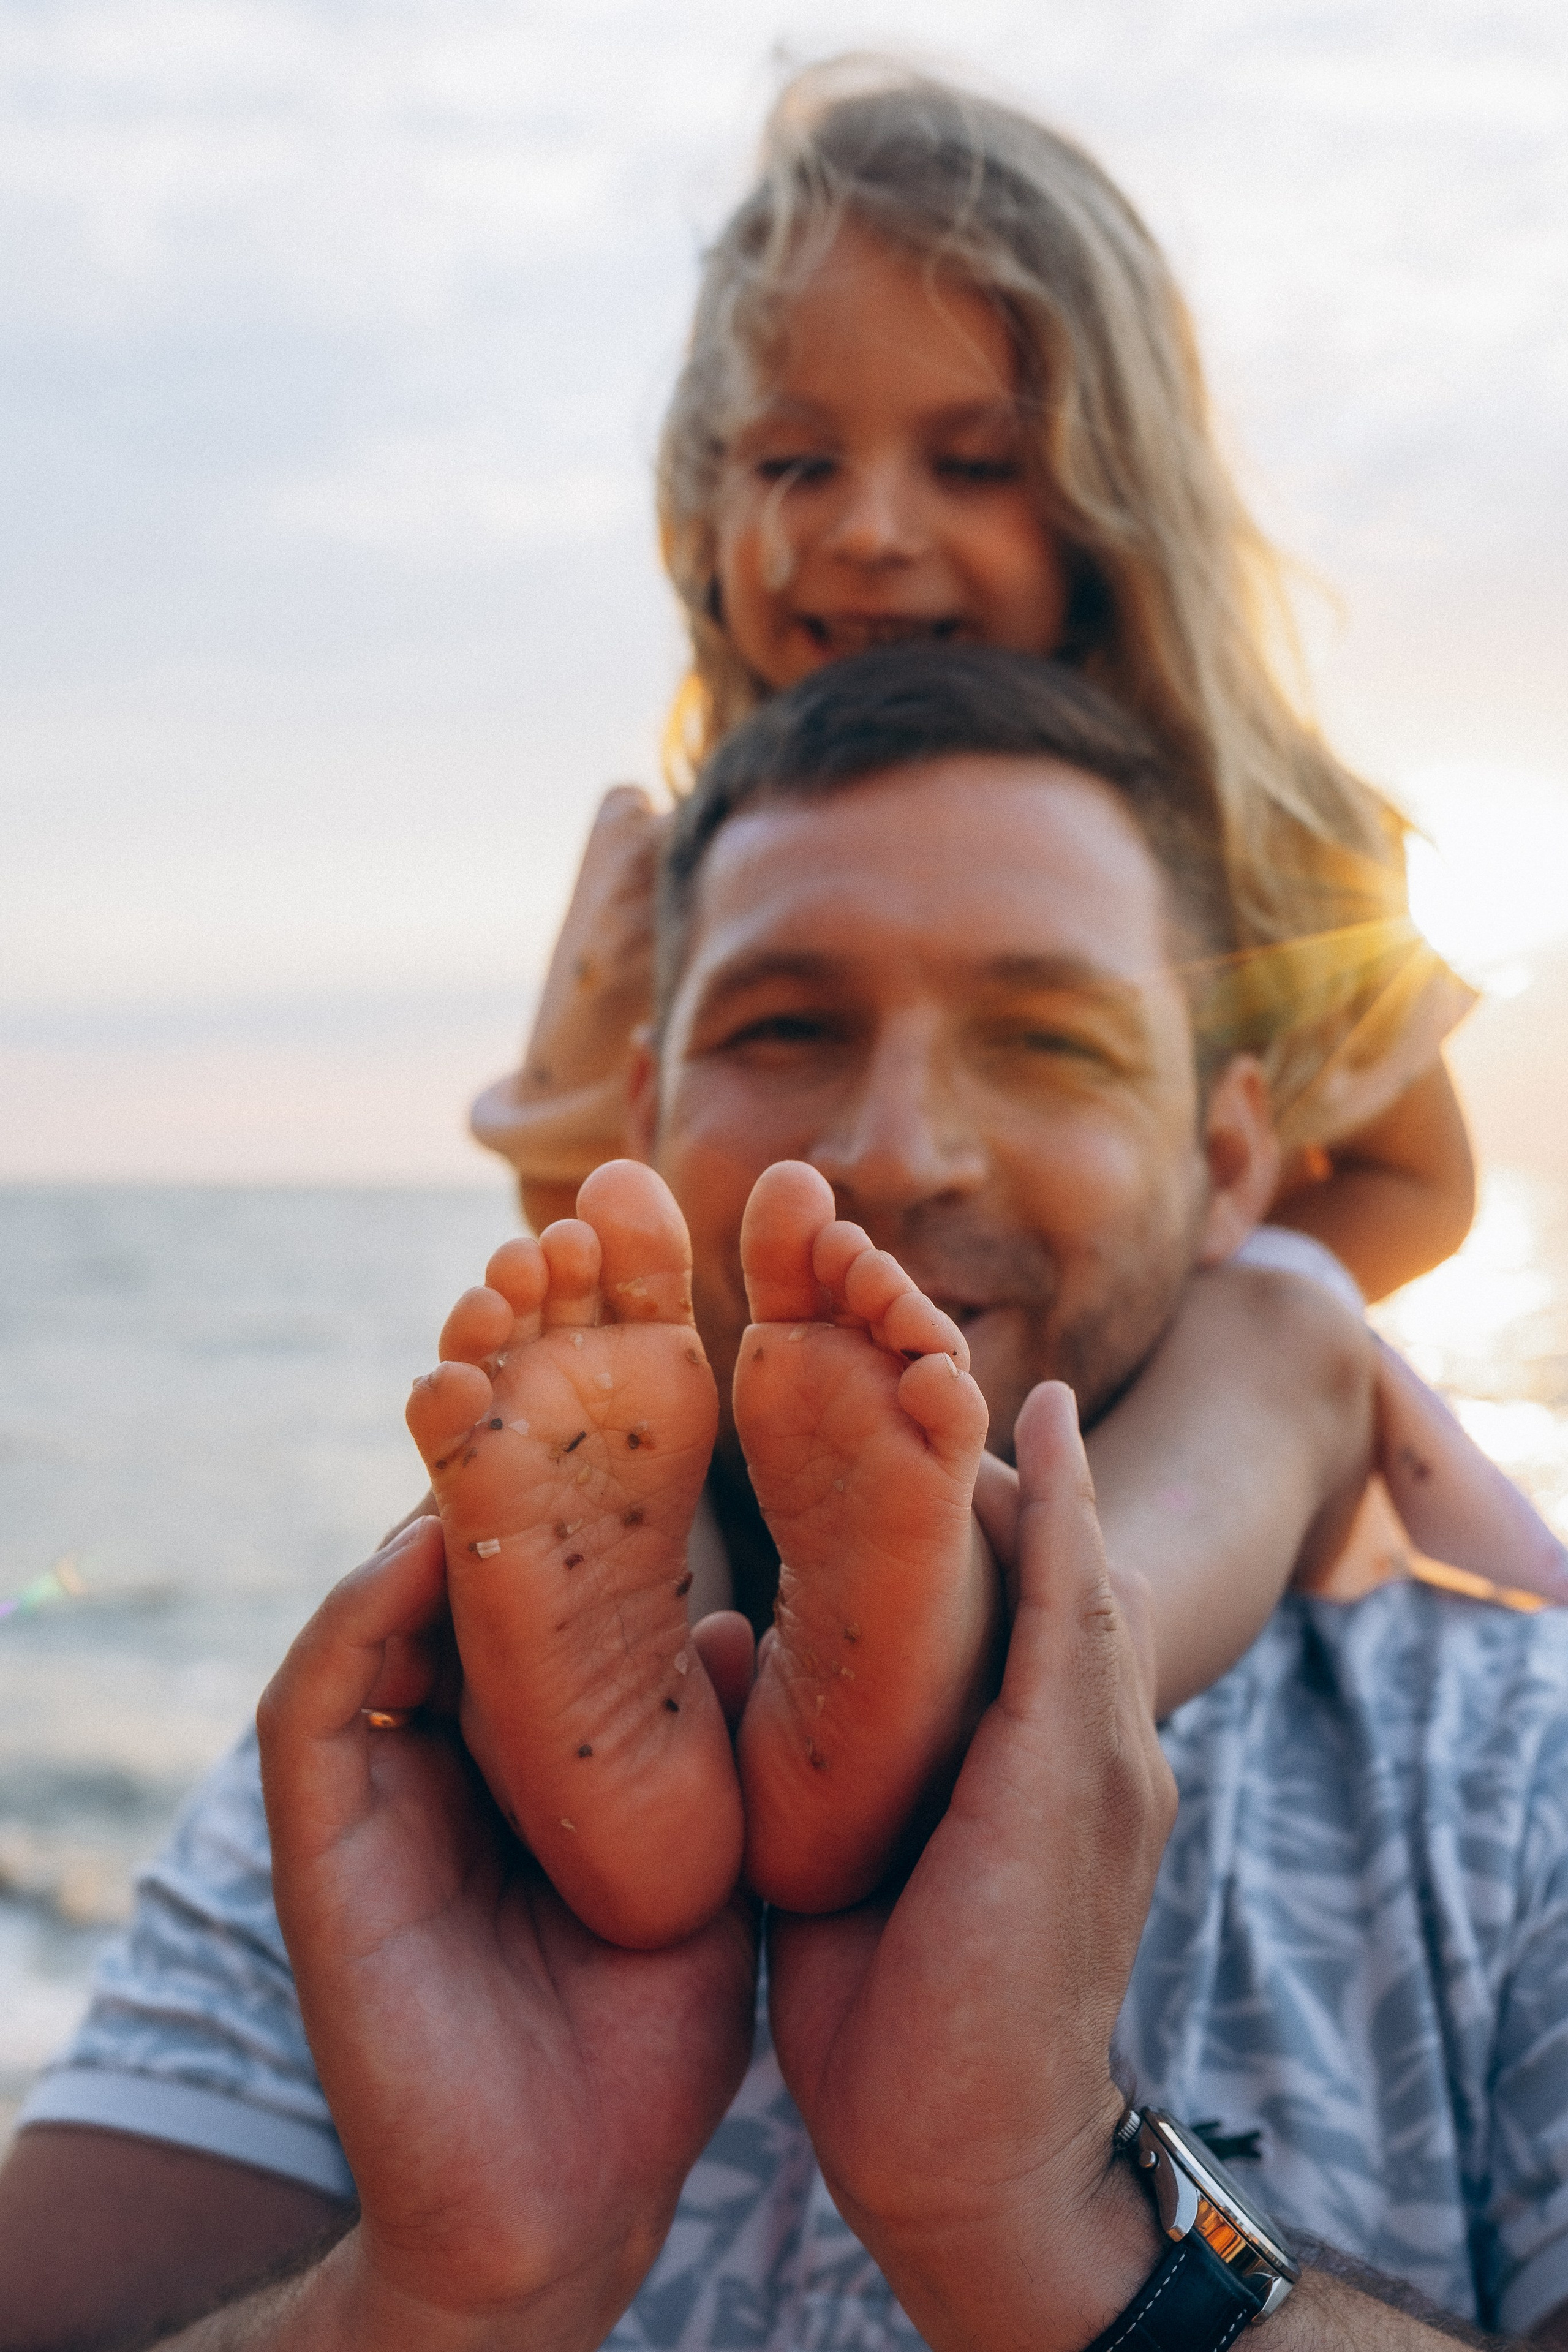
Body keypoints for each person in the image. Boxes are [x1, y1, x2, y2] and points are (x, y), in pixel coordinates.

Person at [6, 646, 1568, 2347]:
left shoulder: (1515, 1769)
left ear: (1232, 1160)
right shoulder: (404, 1770)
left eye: (1049, 1037)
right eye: (786, 1023)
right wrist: (442, 2291)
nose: (896, 1147)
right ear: (648, 1111)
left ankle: (974, 1642)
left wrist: (1049, 2222)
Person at [472, 57, 1477, 1312]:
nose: (872, 531)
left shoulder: (1261, 851)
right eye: (796, 460)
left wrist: (1226, 1390)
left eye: (971, 464)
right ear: (702, 488)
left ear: (1113, 503)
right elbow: (578, 1201)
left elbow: (1415, 1187)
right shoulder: (669, 886)